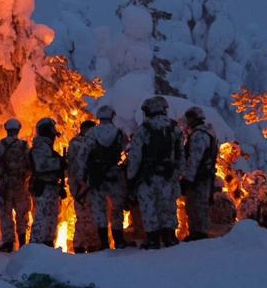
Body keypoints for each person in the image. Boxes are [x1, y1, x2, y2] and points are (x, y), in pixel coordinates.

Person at [126, 96, 183, 249]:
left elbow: (135, 156)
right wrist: (178, 173)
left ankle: (153, 239)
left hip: (147, 176)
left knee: (149, 206)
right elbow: (180, 154)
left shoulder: (143, 129)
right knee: (168, 205)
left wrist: (131, 177)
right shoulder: (175, 128)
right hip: (168, 175)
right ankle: (170, 236)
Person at [79, 105, 131, 250]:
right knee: (117, 208)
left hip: (97, 176)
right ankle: (119, 240)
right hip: (115, 174)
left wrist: (83, 177)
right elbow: (127, 150)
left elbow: (83, 155)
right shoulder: (119, 133)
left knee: (99, 209)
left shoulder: (91, 133)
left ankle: (104, 243)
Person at [0, 119, 32, 252]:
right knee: (22, 214)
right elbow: (30, 165)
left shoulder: (0, 145)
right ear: (18, 130)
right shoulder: (24, 146)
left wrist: (4, 174)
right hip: (20, 186)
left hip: (4, 186)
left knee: (5, 214)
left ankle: (8, 243)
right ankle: (23, 242)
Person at [181, 106, 219, 241]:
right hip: (204, 175)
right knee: (197, 204)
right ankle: (198, 232)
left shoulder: (199, 135)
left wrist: (187, 179)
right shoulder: (209, 133)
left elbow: (194, 159)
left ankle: (199, 234)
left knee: (196, 205)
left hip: (199, 177)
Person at [29, 117, 66, 245]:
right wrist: (59, 163)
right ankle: (36, 247)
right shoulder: (40, 146)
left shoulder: (46, 147)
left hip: (51, 188)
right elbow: (41, 165)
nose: (54, 135)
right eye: (52, 131)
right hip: (43, 187)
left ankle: (47, 246)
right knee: (41, 218)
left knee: (51, 219)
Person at [68, 120, 100, 253]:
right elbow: (76, 168)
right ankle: (83, 245)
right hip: (82, 187)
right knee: (85, 217)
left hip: (83, 186)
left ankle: (83, 244)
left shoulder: (77, 143)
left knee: (88, 217)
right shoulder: (79, 144)